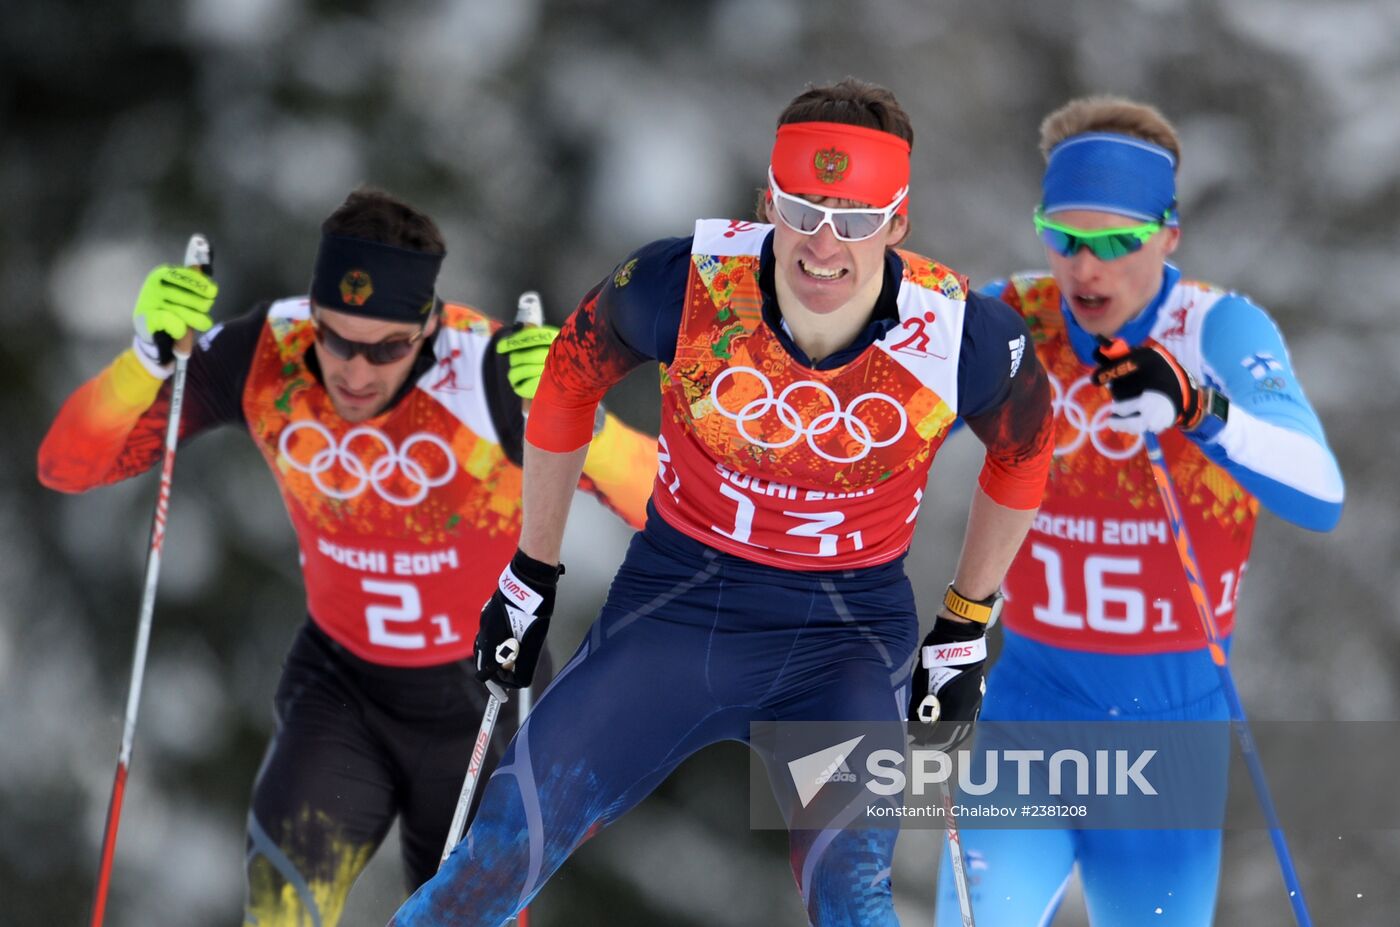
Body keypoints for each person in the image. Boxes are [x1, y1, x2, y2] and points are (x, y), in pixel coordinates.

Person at [390, 78, 1055, 927]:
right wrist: (532, 568)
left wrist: (966, 621)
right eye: (801, 209)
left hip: (844, 643)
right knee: (491, 860)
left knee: (856, 900)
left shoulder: (966, 335)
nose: (823, 243)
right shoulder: (680, 284)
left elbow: (1026, 452)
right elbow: (565, 385)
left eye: (854, 218)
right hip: (676, 610)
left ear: (897, 223)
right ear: (766, 202)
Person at [37, 187, 656, 926]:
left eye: (387, 347)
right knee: (280, 909)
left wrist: (581, 417)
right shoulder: (264, 354)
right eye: (335, 339)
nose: (355, 372)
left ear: (428, 327)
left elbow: (665, 502)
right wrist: (144, 361)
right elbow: (68, 464)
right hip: (343, 689)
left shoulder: (490, 371)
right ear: (312, 316)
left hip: (481, 706)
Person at [934, 96, 1345, 926]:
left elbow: (1321, 490)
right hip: (1027, 716)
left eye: (1119, 241)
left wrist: (1202, 407)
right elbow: (861, 434)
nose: (1088, 269)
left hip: (1167, 742)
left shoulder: (1216, 328)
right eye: (1066, 237)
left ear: (1169, 234)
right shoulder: (1012, 318)